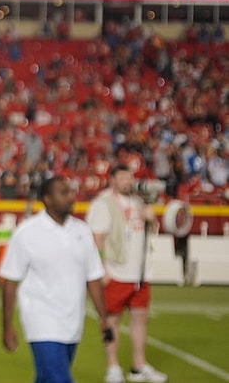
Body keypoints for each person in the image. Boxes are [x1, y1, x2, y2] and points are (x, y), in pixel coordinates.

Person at [0, 176, 107, 383]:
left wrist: (103, 318)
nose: (71, 197)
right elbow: (10, 281)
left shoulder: (82, 231)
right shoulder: (27, 232)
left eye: (71, 192)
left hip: (73, 322)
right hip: (41, 320)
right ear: (47, 199)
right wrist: (7, 326)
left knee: (47, 378)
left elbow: (93, 277)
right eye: (63, 192)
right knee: (59, 379)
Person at [86, 164, 168, 383]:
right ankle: (112, 367)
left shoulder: (139, 201)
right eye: (122, 177)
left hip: (140, 272)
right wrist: (101, 268)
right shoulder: (103, 203)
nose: (127, 182)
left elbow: (151, 231)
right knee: (111, 320)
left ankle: (138, 365)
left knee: (140, 318)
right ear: (112, 179)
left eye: (129, 178)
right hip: (116, 270)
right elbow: (97, 237)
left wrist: (152, 219)